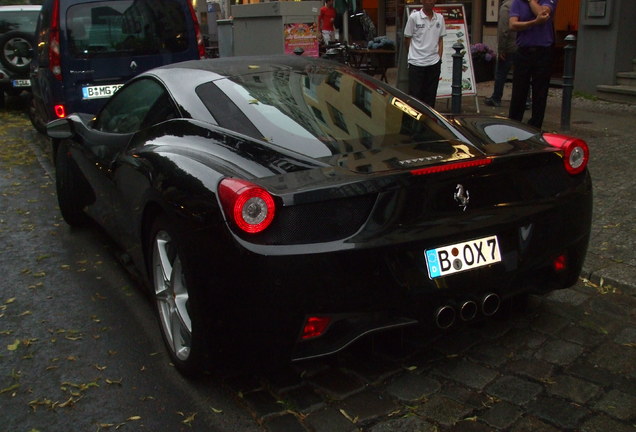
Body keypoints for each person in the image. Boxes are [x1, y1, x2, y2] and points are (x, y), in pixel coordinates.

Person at [508, 0, 557, 129]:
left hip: (543, 52)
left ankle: (535, 127)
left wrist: (531, 1)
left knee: (540, 92)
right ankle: (513, 125)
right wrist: (533, 23)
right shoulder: (518, 2)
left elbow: (542, 13)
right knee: (519, 91)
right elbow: (512, 24)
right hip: (523, 52)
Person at [403, 0, 447, 108]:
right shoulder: (414, 17)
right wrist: (412, 55)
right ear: (422, 1)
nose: (431, 2)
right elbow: (407, 38)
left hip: (433, 63)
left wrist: (439, 58)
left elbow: (440, 40)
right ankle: (414, 123)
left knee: (430, 98)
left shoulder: (440, 18)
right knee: (415, 98)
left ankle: (428, 123)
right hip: (416, 63)